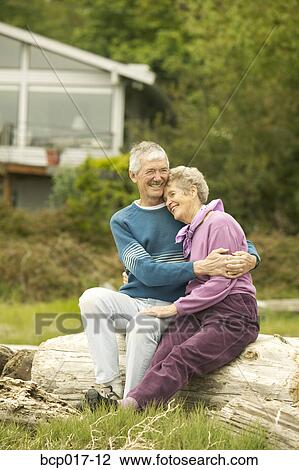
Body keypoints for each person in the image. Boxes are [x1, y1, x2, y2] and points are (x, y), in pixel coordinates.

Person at [79, 142, 260, 402]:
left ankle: (130, 402)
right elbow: (145, 270)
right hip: (136, 300)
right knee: (91, 299)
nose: (158, 177)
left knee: (143, 326)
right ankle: (108, 387)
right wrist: (197, 267)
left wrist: (252, 258)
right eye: (150, 171)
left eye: (163, 170)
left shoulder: (180, 206)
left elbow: (232, 235)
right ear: (133, 176)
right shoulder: (123, 220)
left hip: (176, 303)